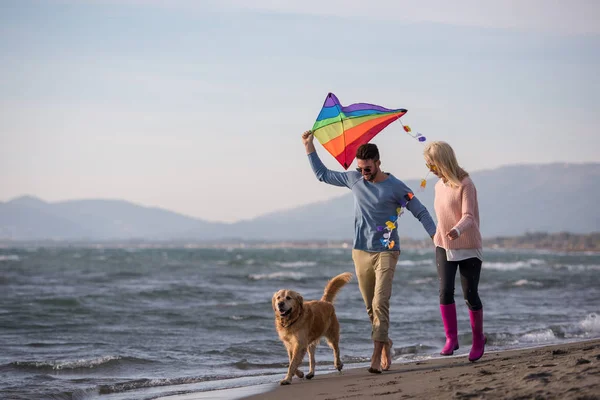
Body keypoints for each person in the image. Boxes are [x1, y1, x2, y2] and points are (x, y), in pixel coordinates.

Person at [302, 130, 436, 373]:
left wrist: (435, 236)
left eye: (368, 168)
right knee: (369, 307)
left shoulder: (396, 187)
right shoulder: (354, 179)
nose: (364, 173)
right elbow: (322, 175)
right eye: (360, 168)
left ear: (378, 163)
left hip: (387, 251)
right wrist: (309, 146)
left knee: (379, 302)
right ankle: (384, 342)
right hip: (361, 251)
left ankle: (375, 356)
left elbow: (421, 211)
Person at [423, 141, 486, 362]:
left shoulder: (466, 184)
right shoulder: (437, 186)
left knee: (470, 295)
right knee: (445, 292)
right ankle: (452, 339)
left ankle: (478, 340)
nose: (429, 168)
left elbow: (468, 215)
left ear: (442, 162)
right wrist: (439, 235)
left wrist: (457, 230)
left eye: (431, 163)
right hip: (443, 244)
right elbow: (441, 217)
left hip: (467, 245)